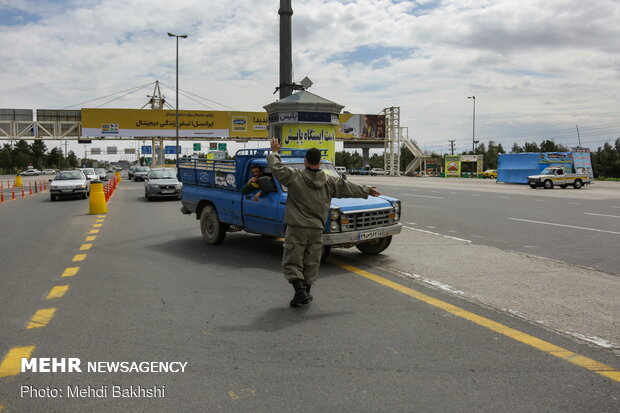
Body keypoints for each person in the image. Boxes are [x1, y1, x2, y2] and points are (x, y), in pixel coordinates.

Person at [267, 138, 381, 307]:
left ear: (305, 161)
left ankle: (300, 292)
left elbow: (276, 168)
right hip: (317, 228)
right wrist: (367, 190)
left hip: (297, 228)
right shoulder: (329, 181)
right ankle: (307, 292)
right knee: (312, 261)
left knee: (292, 260)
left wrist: (275, 151)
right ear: (319, 163)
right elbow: (347, 187)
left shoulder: (294, 177)